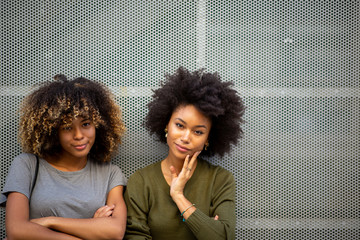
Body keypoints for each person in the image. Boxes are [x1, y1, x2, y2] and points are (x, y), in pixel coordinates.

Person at [124, 67, 245, 240]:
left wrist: (179, 196)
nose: (186, 137)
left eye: (198, 132)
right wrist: (206, 225)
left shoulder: (220, 180)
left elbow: (223, 237)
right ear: (166, 125)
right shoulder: (142, 181)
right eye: (180, 126)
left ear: (208, 139)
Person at [1, 75, 127, 240]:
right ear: (53, 131)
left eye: (86, 124)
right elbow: (16, 231)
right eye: (67, 127)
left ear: (99, 124)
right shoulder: (27, 165)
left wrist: (50, 221)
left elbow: (115, 231)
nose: (78, 135)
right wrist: (90, 228)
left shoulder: (110, 173)